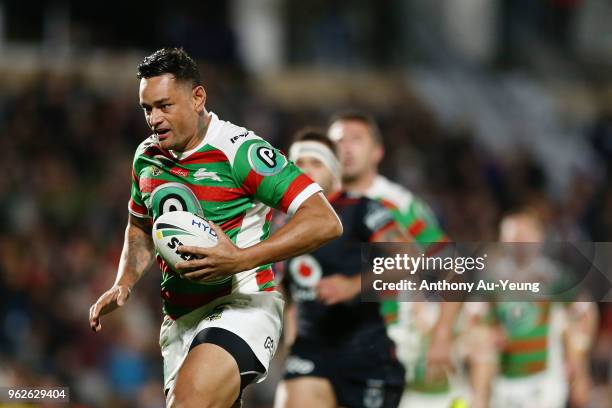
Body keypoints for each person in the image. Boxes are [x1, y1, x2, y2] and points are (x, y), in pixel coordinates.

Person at [88, 48, 343, 408]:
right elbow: (140, 228)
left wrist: (240, 259)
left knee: (190, 400)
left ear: (197, 98)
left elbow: (324, 220)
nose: (154, 119)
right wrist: (124, 282)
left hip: (242, 304)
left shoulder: (240, 150)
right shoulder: (146, 156)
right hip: (180, 322)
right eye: (147, 109)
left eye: (164, 106)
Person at [327, 111, 464, 406]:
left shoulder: (399, 204)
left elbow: (454, 267)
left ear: (377, 151)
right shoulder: (316, 202)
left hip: (386, 338)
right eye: (338, 141)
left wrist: (442, 333)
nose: (346, 148)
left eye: (356, 140)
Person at [274, 128, 407, 408]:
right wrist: (290, 340)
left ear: (335, 170)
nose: (305, 170)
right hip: (310, 351)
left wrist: (352, 285)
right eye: (299, 163)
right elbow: (284, 290)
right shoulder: (281, 222)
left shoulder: (362, 210)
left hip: (365, 351)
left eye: (316, 163)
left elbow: (410, 257)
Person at [467, 209, 597, 408]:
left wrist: (578, 359)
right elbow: (472, 317)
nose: (519, 243)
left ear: (539, 238)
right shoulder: (491, 278)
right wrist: (482, 333)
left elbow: (586, 312)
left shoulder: (554, 277)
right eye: (512, 236)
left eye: (525, 235)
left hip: (546, 380)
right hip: (504, 381)